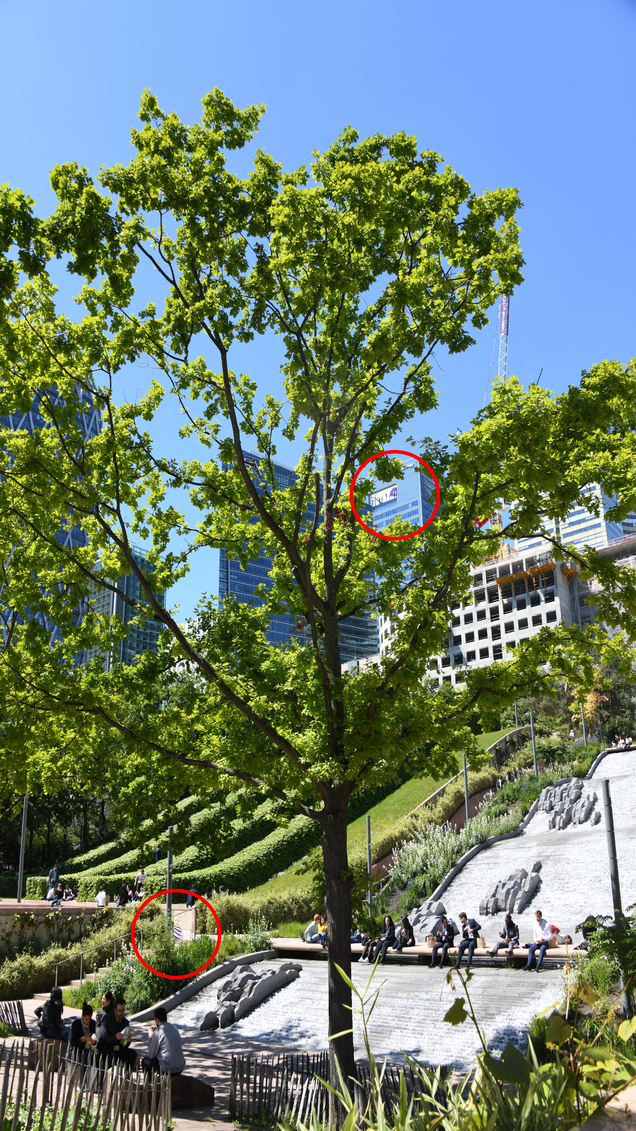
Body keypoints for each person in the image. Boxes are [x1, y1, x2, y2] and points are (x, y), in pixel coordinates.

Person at [141, 1007, 185, 1076]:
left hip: (167, 1068)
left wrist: (150, 1037)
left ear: (157, 1020)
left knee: (145, 1061)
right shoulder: (174, 1028)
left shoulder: (158, 1031)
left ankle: (149, 1083)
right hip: (180, 1067)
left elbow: (151, 1055)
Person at [97, 997, 139, 1068]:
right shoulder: (107, 1019)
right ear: (115, 1010)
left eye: (123, 1010)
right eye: (119, 1011)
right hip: (106, 1048)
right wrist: (115, 1037)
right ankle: (111, 1076)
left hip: (118, 1049)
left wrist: (127, 1041)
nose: (121, 1013)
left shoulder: (125, 1022)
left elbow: (124, 1046)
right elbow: (102, 1038)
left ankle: (126, 1074)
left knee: (133, 1054)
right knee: (111, 1055)